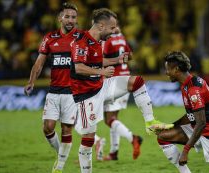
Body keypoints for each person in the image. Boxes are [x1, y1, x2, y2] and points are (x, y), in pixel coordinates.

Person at [69, 8, 173, 173]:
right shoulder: (81, 41)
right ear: (101, 26)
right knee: (88, 138)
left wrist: (117, 59)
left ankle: (150, 122)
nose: (114, 32)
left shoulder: (98, 42)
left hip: (102, 86)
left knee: (137, 82)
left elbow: (98, 60)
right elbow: (79, 67)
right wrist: (101, 72)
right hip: (86, 95)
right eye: (112, 28)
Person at [24, 3, 80, 173]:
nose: (70, 20)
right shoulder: (50, 38)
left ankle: (59, 167)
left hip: (72, 92)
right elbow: (39, 63)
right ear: (60, 18)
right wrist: (31, 81)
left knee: (66, 129)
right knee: (47, 127)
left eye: (73, 17)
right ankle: (61, 154)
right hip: (54, 91)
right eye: (67, 16)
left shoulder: (81, 37)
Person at [157, 51, 209, 173]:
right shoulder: (186, 84)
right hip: (200, 129)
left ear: (176, 69)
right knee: (163, 136)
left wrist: (185, 151)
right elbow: (192, 116)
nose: (166, 73)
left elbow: (201, 122)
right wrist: (169, 126)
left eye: (167, 69)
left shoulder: (193, 90)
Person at [102, 26, 142, 161]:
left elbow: (101, 60)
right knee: (113, 119)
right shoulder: (122, 39)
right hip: (126, 80)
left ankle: (133, 138)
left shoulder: (107, 41)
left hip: (114, 81)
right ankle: (114, 152)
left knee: (109, 119)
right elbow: (130, 56)